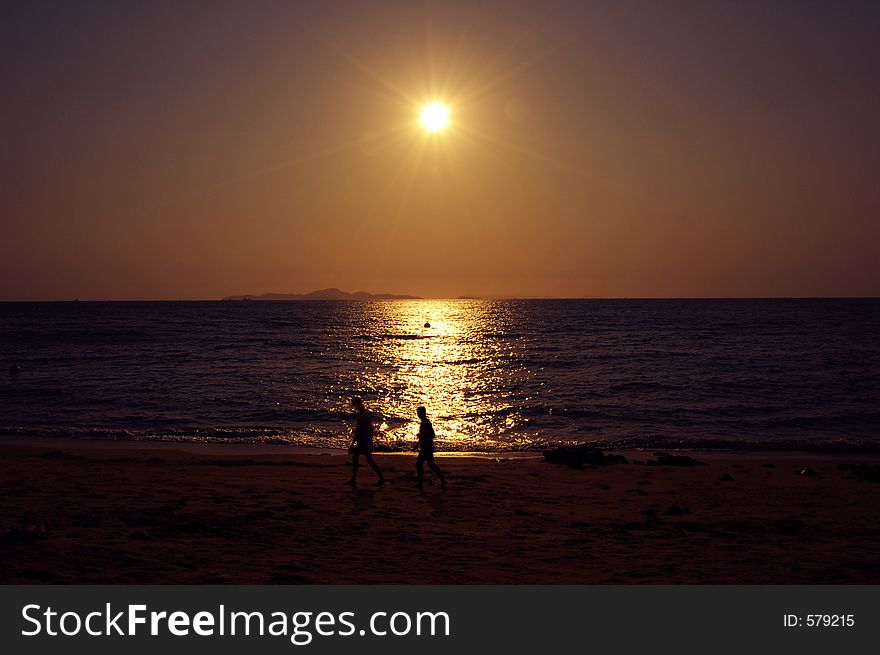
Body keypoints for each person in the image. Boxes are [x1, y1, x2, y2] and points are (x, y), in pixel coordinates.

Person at [345, 397, 385, 487]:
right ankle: (380, 477)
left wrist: (353, 443)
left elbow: (359, 430)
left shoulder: (362, 414)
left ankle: (354, 479)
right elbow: (369, 429)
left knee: (364, 459)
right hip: (365, 440)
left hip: (363, 441)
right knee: (366, 459)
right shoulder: (364, 413)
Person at [415, 406, 447, 490]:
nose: (418, 415)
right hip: (426, 446)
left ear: (423, 413)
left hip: (427, 446)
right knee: (430, 464)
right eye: (417, 413)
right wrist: (417, 444)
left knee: (420, 464)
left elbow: (432, 435)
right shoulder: (424, 423)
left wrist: (421, 436)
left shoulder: (426, 423)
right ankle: (442, 480)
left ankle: (420, 483)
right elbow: (424, 436)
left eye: (419, 413)